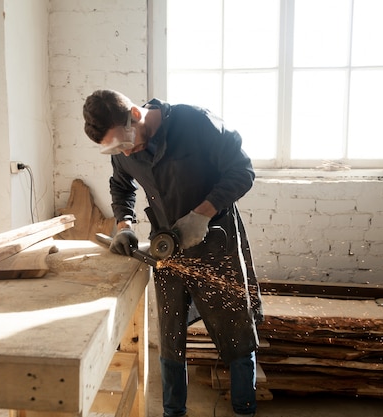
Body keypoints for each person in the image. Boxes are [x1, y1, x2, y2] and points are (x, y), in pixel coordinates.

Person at [83, 89, 262, 417]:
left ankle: (244, 409)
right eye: (117, 148)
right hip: (167, 250)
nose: (126, 151)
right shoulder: (123, 144)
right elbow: (122, 186)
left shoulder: (195, 122)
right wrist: (123, 225)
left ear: (135, 115)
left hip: (215, 242)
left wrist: (202, 214)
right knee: (170, 333)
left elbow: (242, 170)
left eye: (126, 142)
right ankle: (173, 412)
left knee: (235, 330)